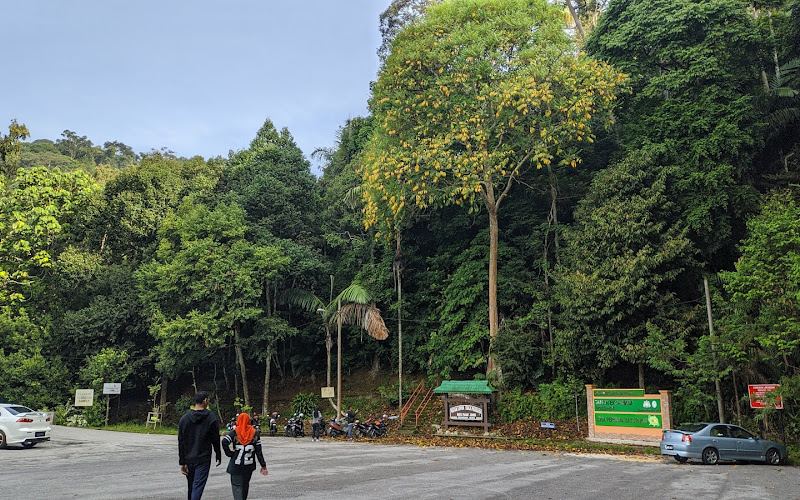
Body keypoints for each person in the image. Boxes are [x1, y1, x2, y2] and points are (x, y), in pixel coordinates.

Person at [178, 391, 222, 500]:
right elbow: (215, 439)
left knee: (191, 487)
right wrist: (218, 454)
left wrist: (182, 462)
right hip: (203, 458)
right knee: (198, 486)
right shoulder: (211, 418)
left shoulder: (185, 419)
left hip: (189, 458)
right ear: (205, 401)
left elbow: (181, 441)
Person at [222, 413, 268, 500]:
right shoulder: (255, 433)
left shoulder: (234, 432)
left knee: (237, 487)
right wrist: (263, 465)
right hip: (249, 466)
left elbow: (224, 442)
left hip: (236, 465)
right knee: (245, 485)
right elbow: (259, 452)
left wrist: (230, 454)